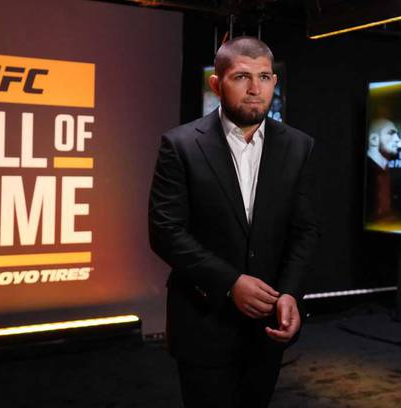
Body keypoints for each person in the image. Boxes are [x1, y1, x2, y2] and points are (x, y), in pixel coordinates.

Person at [148, 36, 319, 408]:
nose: (255, 88)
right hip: (203, 323)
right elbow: (165, 232)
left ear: (274, 81)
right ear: (216, 83)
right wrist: (230, 283)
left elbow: (304, 230)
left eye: (264, 77)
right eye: (242, 76)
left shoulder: (299, 146)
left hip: (268, 326)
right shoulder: (180, 145)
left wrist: (290, 293)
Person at [365, 118, 400, 224]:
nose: (397, 139)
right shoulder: (368, 173)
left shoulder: (386, 171)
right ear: (373, 139)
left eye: (396, 134)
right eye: (391, 133)